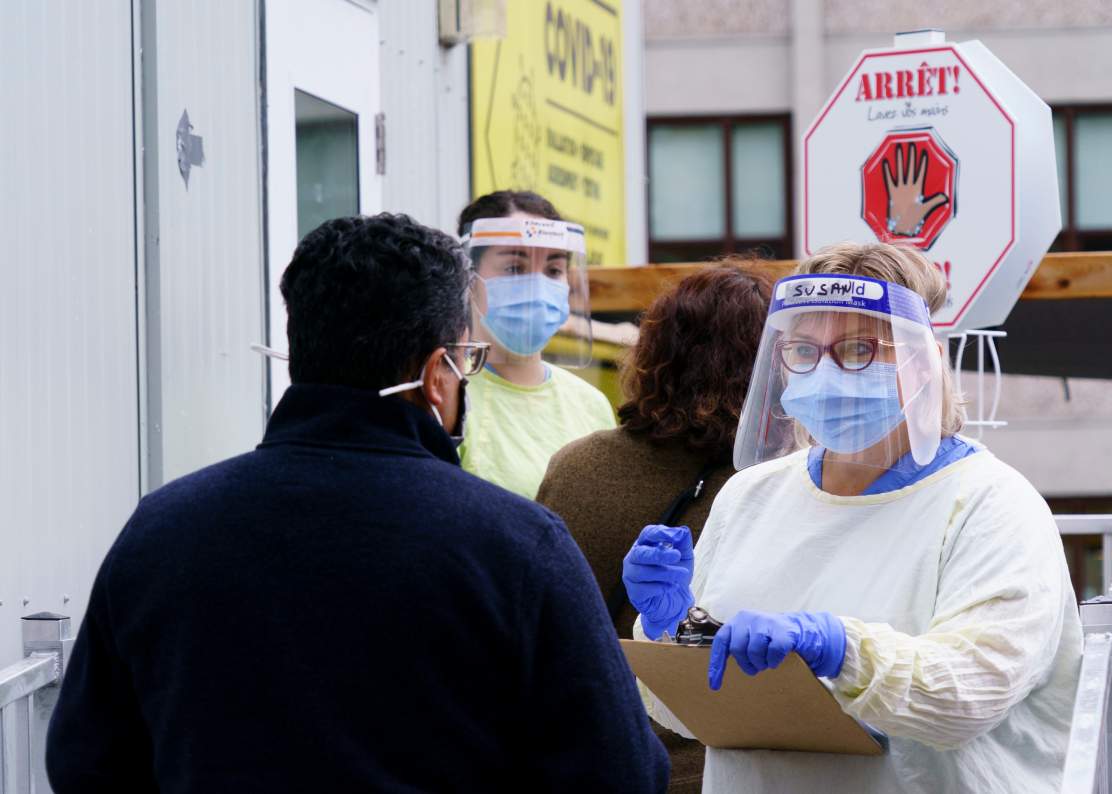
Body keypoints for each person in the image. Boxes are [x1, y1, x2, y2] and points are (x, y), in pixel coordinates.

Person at [46, 213, 668, 793]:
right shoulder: (517, 547)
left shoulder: (162, 529)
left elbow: (82, 760)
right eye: (466, 361)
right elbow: (622, 773)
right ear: (436, 373)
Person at [623, 242, 1082, 793]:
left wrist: (839, 648)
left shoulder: (991, 504)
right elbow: (692, 718)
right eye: (803, 351)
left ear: (922, 359)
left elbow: (970, 694)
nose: (827, 374)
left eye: (860, 349)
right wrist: (671, 631)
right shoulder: (750, 495)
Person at [537, 264, 773, 794]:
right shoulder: (785, 483)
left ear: (653, 354)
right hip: (738, 769)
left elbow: (546, 635)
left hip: (606, 760)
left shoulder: (581, 467)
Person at [456, 190, 616, 499]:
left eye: (554, 270)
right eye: (515, 268)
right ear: (469, 277)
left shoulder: (591, 405)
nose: (538, 286)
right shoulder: (448, 395)